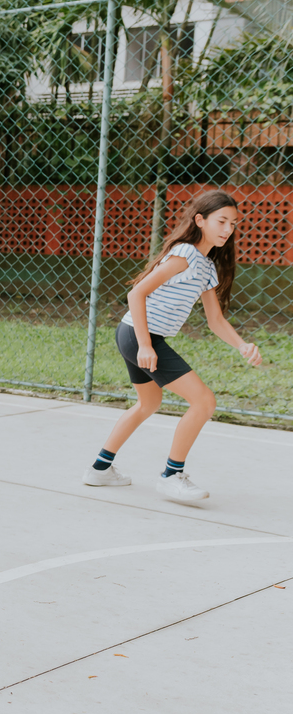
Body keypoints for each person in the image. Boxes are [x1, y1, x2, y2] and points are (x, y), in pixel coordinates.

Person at [84, 190, 262, 502]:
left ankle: (100, 469)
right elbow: (136, 294)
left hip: (141, 336)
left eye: (233, 223)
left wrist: (242, 345)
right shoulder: (184, 254)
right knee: (204, 402)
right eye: (221, 221)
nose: (227, 229)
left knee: (148, 404)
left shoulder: (206, 267)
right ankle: (171, 476)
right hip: (140, 335)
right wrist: (144, 345)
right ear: (200, 220)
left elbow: (215, 320)